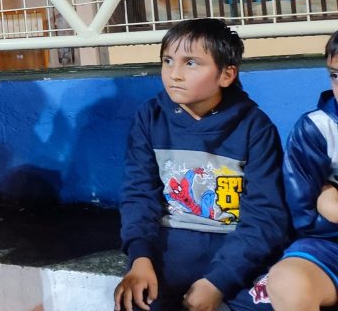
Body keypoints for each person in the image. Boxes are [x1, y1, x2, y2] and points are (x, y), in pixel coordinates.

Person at [114, 18, 289, 311]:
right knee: (134, 300)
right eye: (168, 61)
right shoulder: (150, 117)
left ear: (226, 75)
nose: (174, 74)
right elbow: (139, 195)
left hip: (237, 253)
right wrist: (140, 257)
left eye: (191, 63)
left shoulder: (255, 128)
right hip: (170, 249)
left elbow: (266, 217)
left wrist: (218, 282)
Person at [265, 30, 338, 310]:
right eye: (334, 75)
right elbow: (304, 217)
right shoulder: (315, 129)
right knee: (287, 280)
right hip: (328, 244)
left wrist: (333, 206)